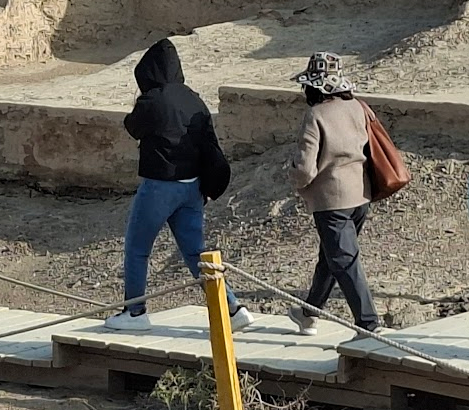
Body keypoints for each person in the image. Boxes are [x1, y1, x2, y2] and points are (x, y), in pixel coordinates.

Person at [106, 39, 253, 332]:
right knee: (196, 253)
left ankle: (135, 312)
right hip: (194, 187)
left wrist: (139, 100)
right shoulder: (193, 98)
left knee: (138, 249)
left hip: (161, 186)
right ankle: (232, 308)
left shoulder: (154, 100)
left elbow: (133, 126)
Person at [287, 52, 382, 336]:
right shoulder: (358, 107)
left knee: (344, 261)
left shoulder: (315, 115)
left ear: (313, 87)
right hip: (361, 195)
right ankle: (308, 314)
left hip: (331, 201)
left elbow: (305, 168)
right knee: (331, 258)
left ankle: (369, 324)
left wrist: (293, 177)